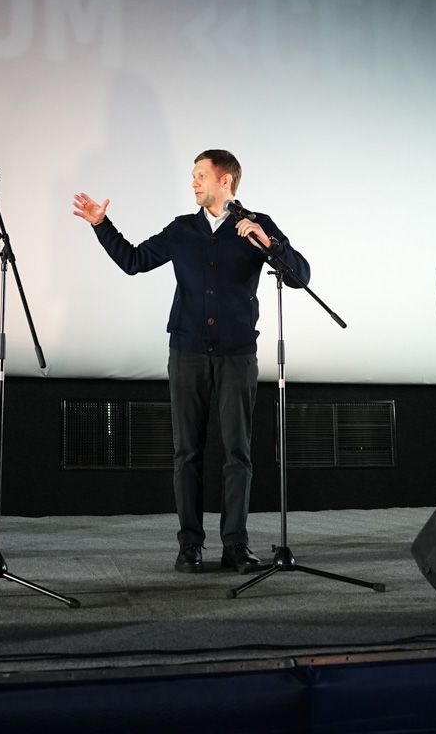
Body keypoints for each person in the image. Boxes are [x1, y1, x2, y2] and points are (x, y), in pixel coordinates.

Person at [72, 150, 310, 574]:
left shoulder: (256, 225)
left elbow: (300, 277)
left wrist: (268, 242)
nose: (194, 182)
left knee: (238, 453)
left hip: (237, 354)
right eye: (193, 175)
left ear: (226, 181)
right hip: (187, 353)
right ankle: (190, 545)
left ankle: (235, 545)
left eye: (201, 175)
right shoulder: (183, 229)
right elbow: (134, 261)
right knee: (187, 453)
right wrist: (101, 225)